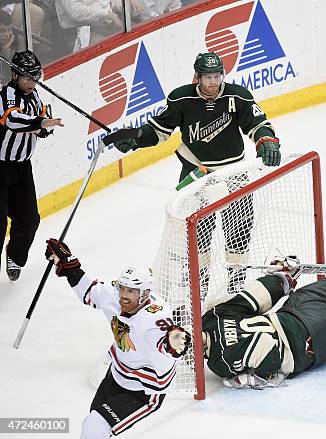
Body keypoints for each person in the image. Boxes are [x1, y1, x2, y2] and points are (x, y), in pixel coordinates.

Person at [104, 52, 282, 294]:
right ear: (197, 77)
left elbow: (258, 123)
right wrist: (136, 139)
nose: (213, 83)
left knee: (240, 227)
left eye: (217, 76)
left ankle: (236, 280)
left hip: (233, 172)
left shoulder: (238, 96)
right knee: (198, 230)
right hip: (196, 173)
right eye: (207, 77)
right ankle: (199, 282)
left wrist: (266, 140)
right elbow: (159, 130)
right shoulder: (181, 99)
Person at [45, 238, 192, 438]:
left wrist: (172, 344)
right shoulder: (115, 297)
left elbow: (164, 341)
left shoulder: (154, 318)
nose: (124, 295)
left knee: (94, 426)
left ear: (145, 294)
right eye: (122, 288)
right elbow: (89, 290)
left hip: (143, 391)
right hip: (115, 375)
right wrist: (68, 264)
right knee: (95, 424)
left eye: (131, 291)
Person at [200, 258, 326, 389]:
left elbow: (252, 300)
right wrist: (282, 280)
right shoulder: (215, 332)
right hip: (300, 330)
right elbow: (267, 349)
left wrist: (282, 277)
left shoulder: (216, 351)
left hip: (310, 351)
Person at [0, 50, 63, 281]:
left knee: (29, 219)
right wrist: (39, 123)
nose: (31, 82)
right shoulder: (7, 94)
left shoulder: (35, 96)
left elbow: (45, 126)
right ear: (15, 75)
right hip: (0, 168)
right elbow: (12, 120)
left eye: (35, 76)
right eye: (27, 77)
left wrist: (43, 125)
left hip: (22, 168)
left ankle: (15, 256)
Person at [0, 10, 13, 86]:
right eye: (2, 31)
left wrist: (5, 50)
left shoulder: (6, 49)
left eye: (9, 30)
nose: (7, 35)